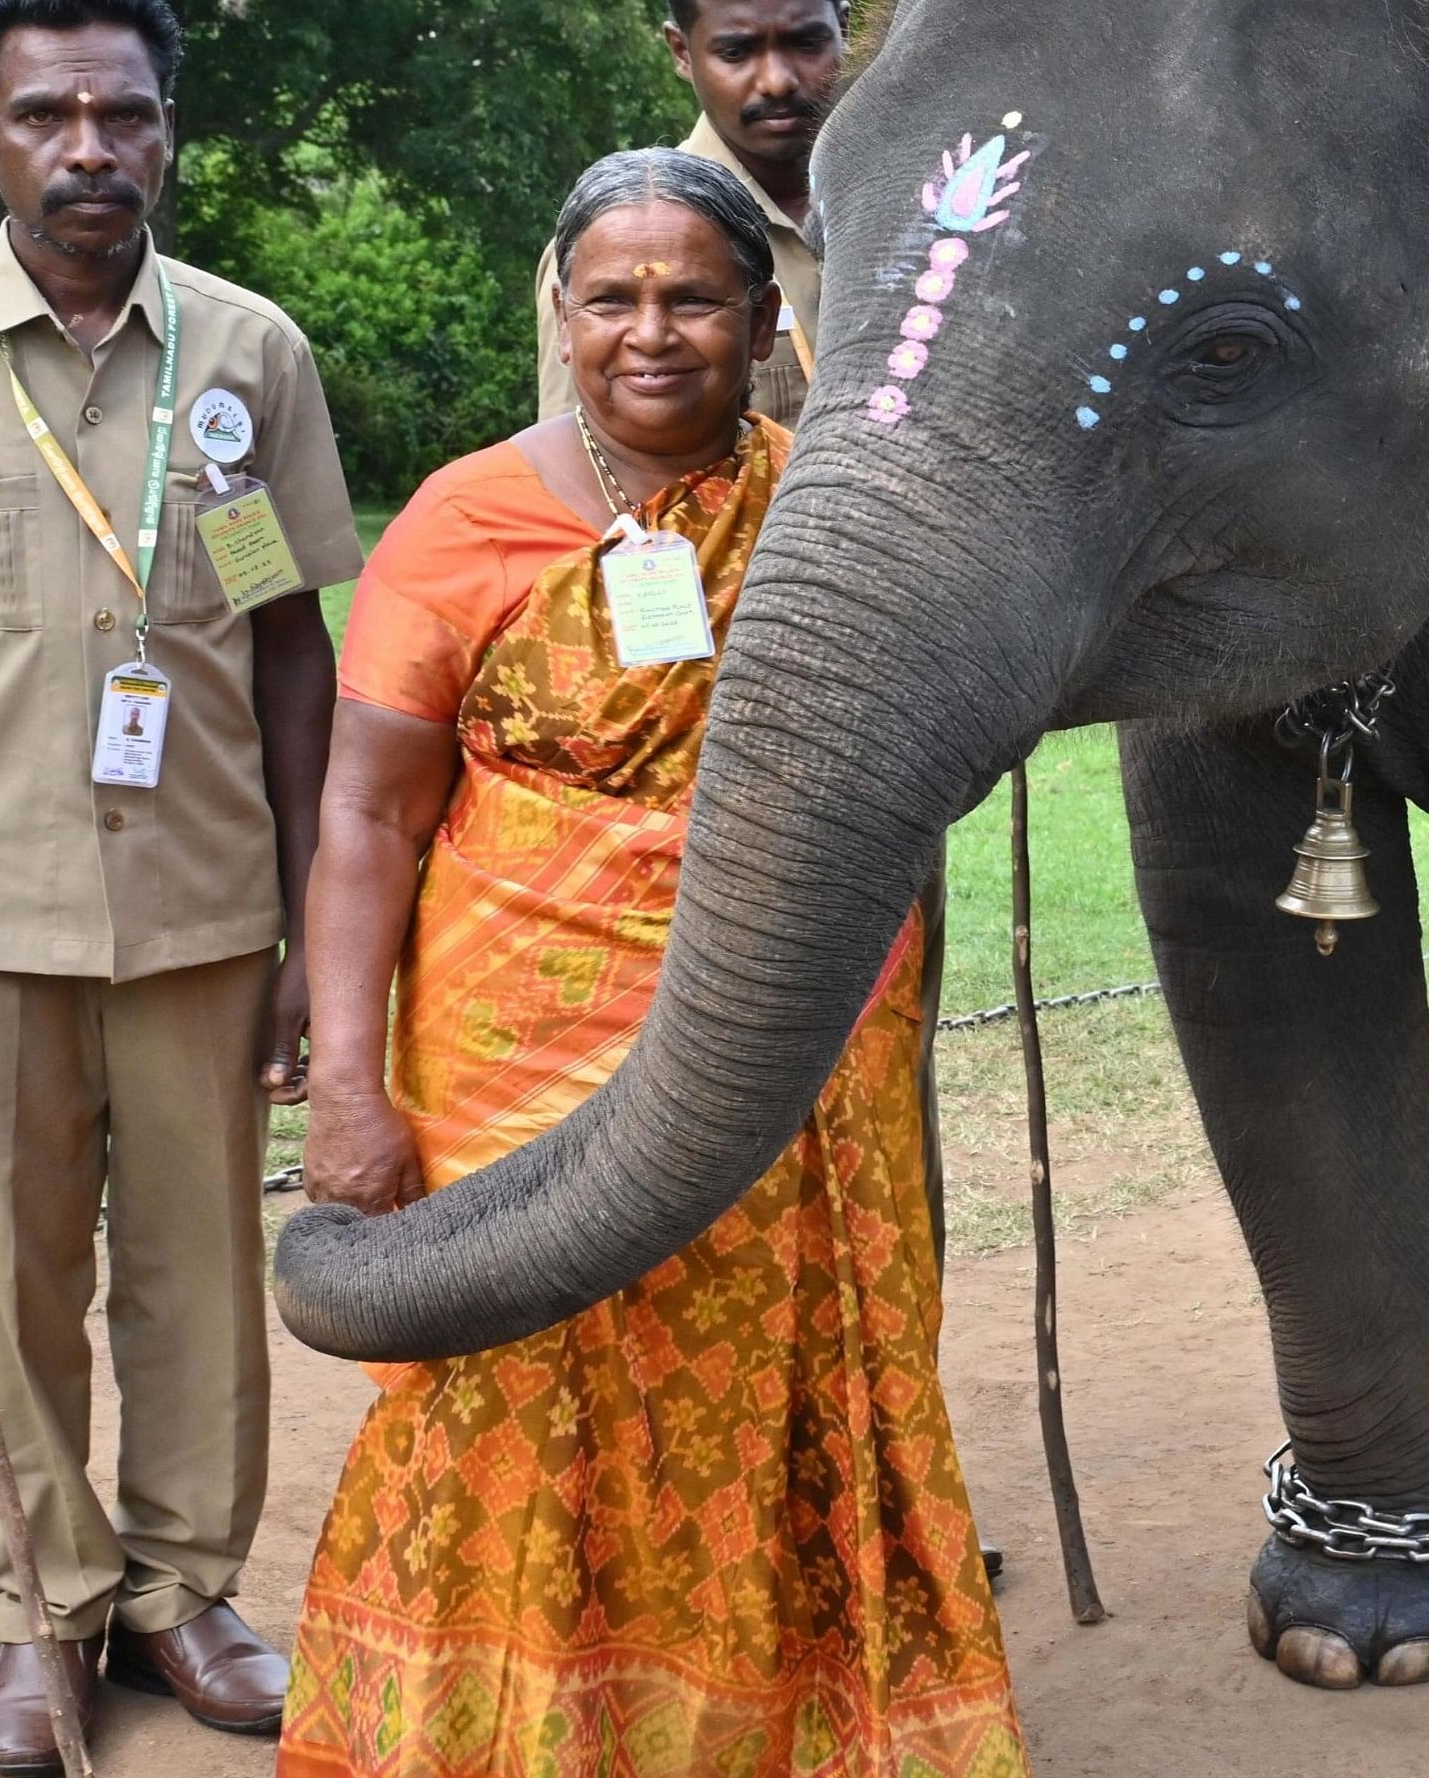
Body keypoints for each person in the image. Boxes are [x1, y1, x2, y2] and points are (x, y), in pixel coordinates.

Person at [281, 148, 1024, 1777]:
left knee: (780, 1370)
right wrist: (344, 1079)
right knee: (519, 1358)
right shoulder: (463, 521)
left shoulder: (838, 514)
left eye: (694, 295)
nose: (651, 330)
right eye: (610, 296)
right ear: (557, 315)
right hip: (517, 1027)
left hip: (794, 1011)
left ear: (766, 322)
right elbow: (365, 811)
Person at [0, 0, 357, 1770]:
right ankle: (42, 1613)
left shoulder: (246, 354)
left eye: (122, 112)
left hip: (202, 908)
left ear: (167, 133)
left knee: (197, 1275)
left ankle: (186, 1593)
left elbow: (289, 644)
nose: (86, 145)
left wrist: (309, 932)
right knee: (7, 1279)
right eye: (46, 114)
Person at [532, 0, 847, 427]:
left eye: (805, 43)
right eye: (736, 52)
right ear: (682, 51)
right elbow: (582, 466)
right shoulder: (617, 242)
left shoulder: (926, 208)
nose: (777, 80)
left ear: (845, 30)